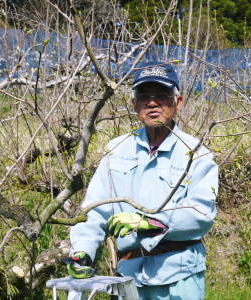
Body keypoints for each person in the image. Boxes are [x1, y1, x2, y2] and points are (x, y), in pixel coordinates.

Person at [68, 62, 218, 299]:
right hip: (128, 277)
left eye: (162, 95)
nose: (152, 102)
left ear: (178, 102)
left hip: (179, 278)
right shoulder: (116, 150)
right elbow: (94, 211)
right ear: (134, 104)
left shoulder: (197, 154)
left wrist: (149, 221)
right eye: (144, 95)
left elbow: (202, 215)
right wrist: (82, 251)